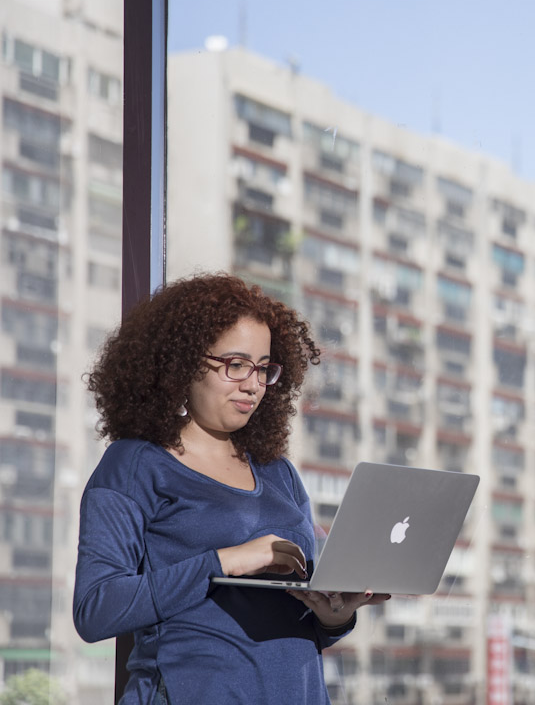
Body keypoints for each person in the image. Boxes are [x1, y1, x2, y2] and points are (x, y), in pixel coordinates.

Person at [73, 273, 390, 704]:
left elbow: (303, 620)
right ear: (182, 363)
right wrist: (226, 562)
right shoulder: (134, 465)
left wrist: (336, 615)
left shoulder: (279, 473)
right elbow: (96, 609)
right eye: (235, 365)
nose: (253, 384)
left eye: (263, 369)